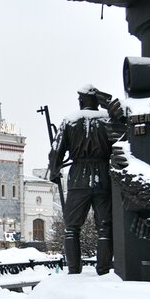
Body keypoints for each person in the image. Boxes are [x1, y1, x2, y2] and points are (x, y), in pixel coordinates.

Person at [48, 85, 118, 275]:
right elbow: (118, 146)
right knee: (104, 227)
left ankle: (73, 269)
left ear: (81, 101)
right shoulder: (107, 120)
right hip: (103, 176)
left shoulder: (70, 121)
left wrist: (54, 171)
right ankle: (103, 269)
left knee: (72, 227)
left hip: (78, 176)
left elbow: (56, 151)